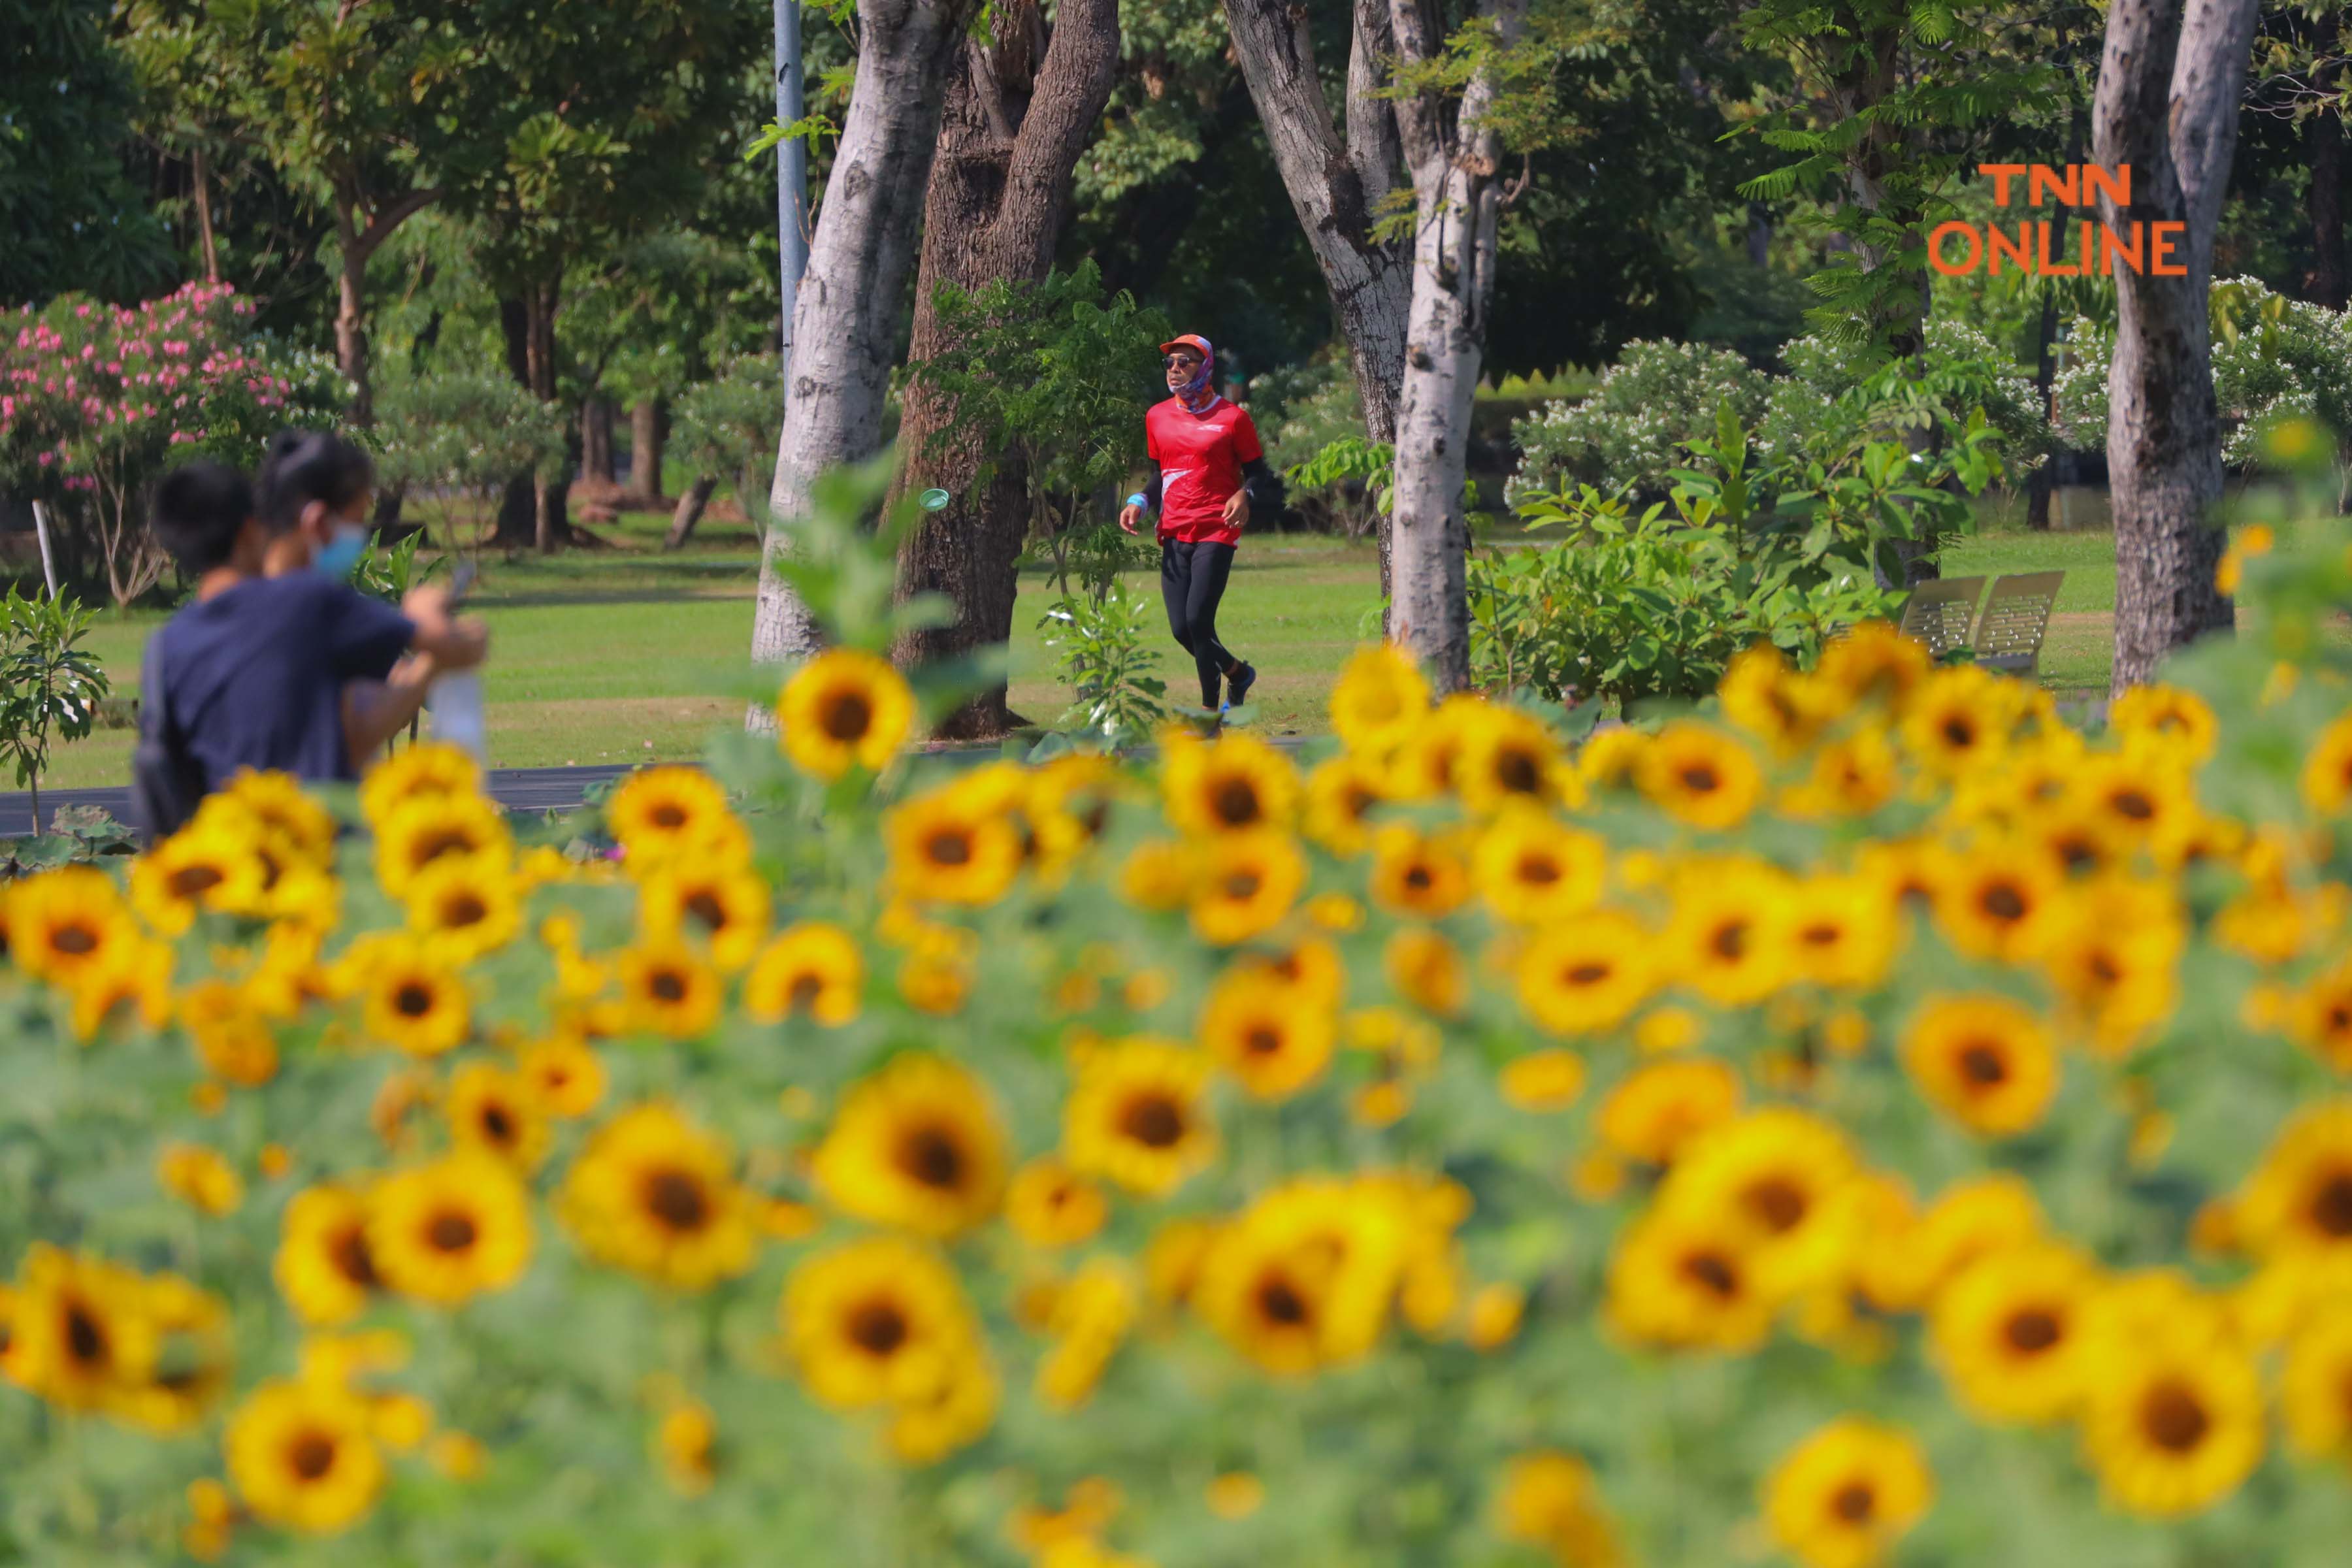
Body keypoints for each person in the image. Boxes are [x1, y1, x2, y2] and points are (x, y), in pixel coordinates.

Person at [142, 453, 485, 807]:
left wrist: (428, 665)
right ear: (249, 530)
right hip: (316, 845)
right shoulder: (306, 601)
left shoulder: (168, 645)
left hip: (226, 850)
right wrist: (424, 612)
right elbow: (453, 643)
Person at [253, 430, 457, 768]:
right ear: (319, 521)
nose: (358, 537)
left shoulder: (207, 618)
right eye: (357, 519)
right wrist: (429, 631)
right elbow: (449, 643)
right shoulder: (330, 609)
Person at [1119, 334, 1281, 712]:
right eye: (1170, 362)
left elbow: (1260, 473)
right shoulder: (1157, 416)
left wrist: (1245, 494)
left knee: (1198, 622)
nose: (1175, 369)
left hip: (1216, 528)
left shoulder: (1233, 418)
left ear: (1205, 367)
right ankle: (1238, 673)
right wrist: (1139, 500)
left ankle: (1209, 716)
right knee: (1181, 629)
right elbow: (1161, 474)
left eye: (1184, 362)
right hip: (1175, 528)